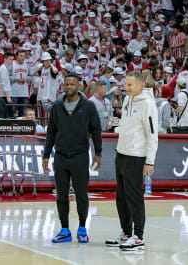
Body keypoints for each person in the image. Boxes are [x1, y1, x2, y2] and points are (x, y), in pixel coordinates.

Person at [42, 73, 103, 244]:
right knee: (61, 196)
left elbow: (96, 130)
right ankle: (64, 229)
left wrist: (98, 153)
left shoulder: (89, 106)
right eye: (66, 84)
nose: (69, 87)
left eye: (72, 84)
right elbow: (51, 133)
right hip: (61, 157)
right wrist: (46, 155)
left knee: (81, 195)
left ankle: (82, 228)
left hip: (80, 156)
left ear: (79, 86)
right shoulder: (56, 106)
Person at [106, 71, 158, 252]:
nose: (125, 88)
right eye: (125, 84)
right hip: (121, 153)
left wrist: (150, 161)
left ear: (140, 85)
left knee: (134, 197)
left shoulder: (148, 105)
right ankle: (126, 233)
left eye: (130, 85)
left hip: (136, 157)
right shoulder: (128, 100)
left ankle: (139, 236)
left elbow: (152, 134)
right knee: (121, 197)